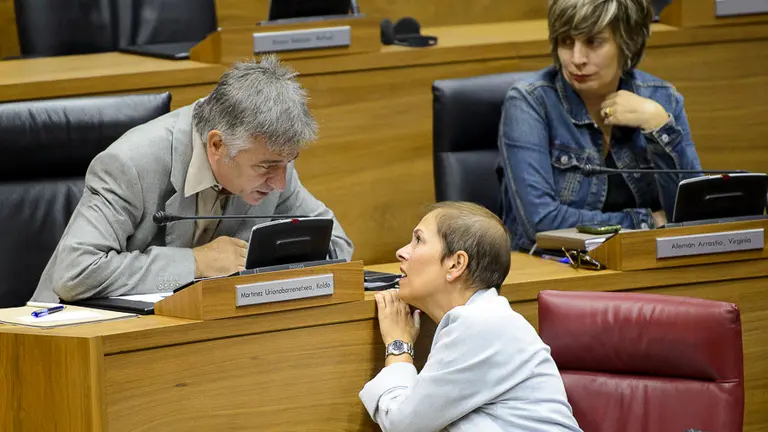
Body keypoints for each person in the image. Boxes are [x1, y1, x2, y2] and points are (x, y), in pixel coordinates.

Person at [32, 55, 353, 302]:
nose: (280, 183)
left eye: (288, 163)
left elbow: (337, 246)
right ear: (217, 145)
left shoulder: (272, 157)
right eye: (267, 167)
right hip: (69, 341)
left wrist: (265, 260)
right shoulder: (130, 164)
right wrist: (196, 264)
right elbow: (75, 272)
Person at [498, 0, 703, 250]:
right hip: (555, 264)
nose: (577, 59)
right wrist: (647, 221)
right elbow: (541, 223)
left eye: (593, 42)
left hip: (643, 260)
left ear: (626, 41)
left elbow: (693, 218)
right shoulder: (530, 101)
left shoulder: (661, 99)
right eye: (566, 41)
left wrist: (657, 125)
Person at [359, 202, 582, 432]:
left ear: (455, 264)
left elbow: (402, 425)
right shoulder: (483, 319)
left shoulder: (481, 325)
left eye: (418, 240)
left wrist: (399, 347)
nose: (402, 252)